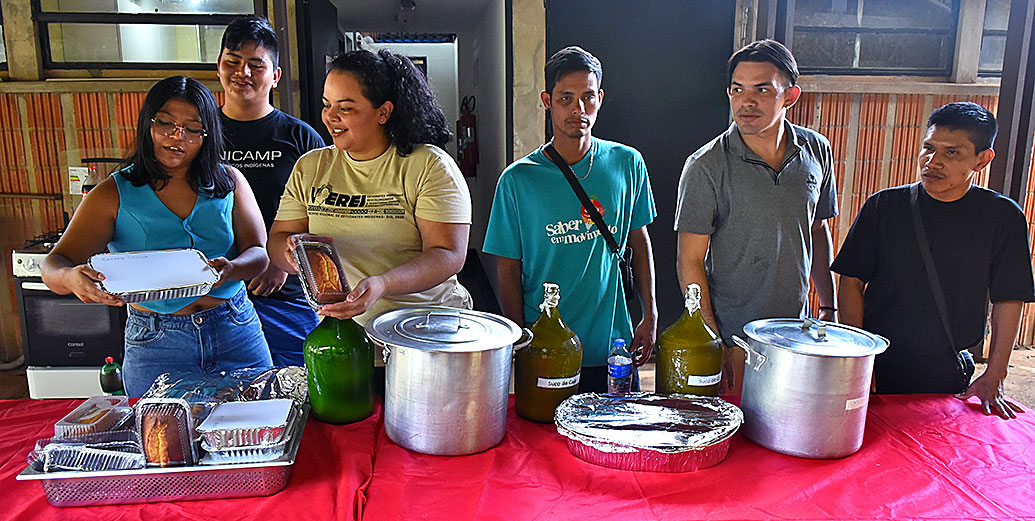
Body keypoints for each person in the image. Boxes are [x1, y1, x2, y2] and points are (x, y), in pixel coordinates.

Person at [41, 76, 273, 397]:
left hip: (234, 329)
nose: (178, 137)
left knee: (255, 432)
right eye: (166, 123)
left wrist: (232, 269)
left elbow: (258, 253)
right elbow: (53, 264)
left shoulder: (228, 182)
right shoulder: (113, 193)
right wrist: (70, 277)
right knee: (163, 441)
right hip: (157, 343)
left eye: (193, 129)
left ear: (208, 136)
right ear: (147, 123)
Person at [268, 49, 472, 376]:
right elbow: (277, 241)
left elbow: (448, 253)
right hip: (344, 337)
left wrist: (383, 284)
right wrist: (294, 254)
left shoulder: (428, 166)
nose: (330, 117)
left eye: (345, 108)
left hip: (424, 335)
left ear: (383, 112)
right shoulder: (311, 167)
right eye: (326, 105)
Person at [832, 102, 1035, 419]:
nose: (933, 161)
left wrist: (996, 373)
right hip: (878, 364)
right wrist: (858, 360)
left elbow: (1009, 298)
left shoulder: (1003, 217)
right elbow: (850, 281)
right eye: (928, 148)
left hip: (946, 369)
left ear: (982, 160)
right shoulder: (884, 207)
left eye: (951, 153)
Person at [483, 46, 658, 393]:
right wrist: (520, 338)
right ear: (548, 100)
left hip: (613, 346)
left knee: (617, 438)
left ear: (600, 99)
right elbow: (507, 267)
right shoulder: (518, 180)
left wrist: (650, 313)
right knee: (545, 442)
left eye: (588, 97)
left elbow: (639, 241)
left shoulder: (627, 163)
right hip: (546, 346)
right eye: (566, 98)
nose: (578, 109)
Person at [674, 39, 837, 390]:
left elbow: (818, 231)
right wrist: (715, 341)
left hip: (798, 333)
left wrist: (828, 306)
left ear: (790, 96)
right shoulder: (705, 166)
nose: (746, 101)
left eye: (761, 90)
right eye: (737, 89)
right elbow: (690, 262)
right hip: (734, 337)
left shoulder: (817, 150)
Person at [217, 16, 325, 367]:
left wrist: (282, 262)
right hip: (216, 296)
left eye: (255, 64)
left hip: (286, 294)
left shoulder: (301, 138)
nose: (242, 72)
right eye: (232, 61)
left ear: (275, 76)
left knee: (299, 390)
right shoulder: (197, 135)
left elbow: (324, 215)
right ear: (218, 67)